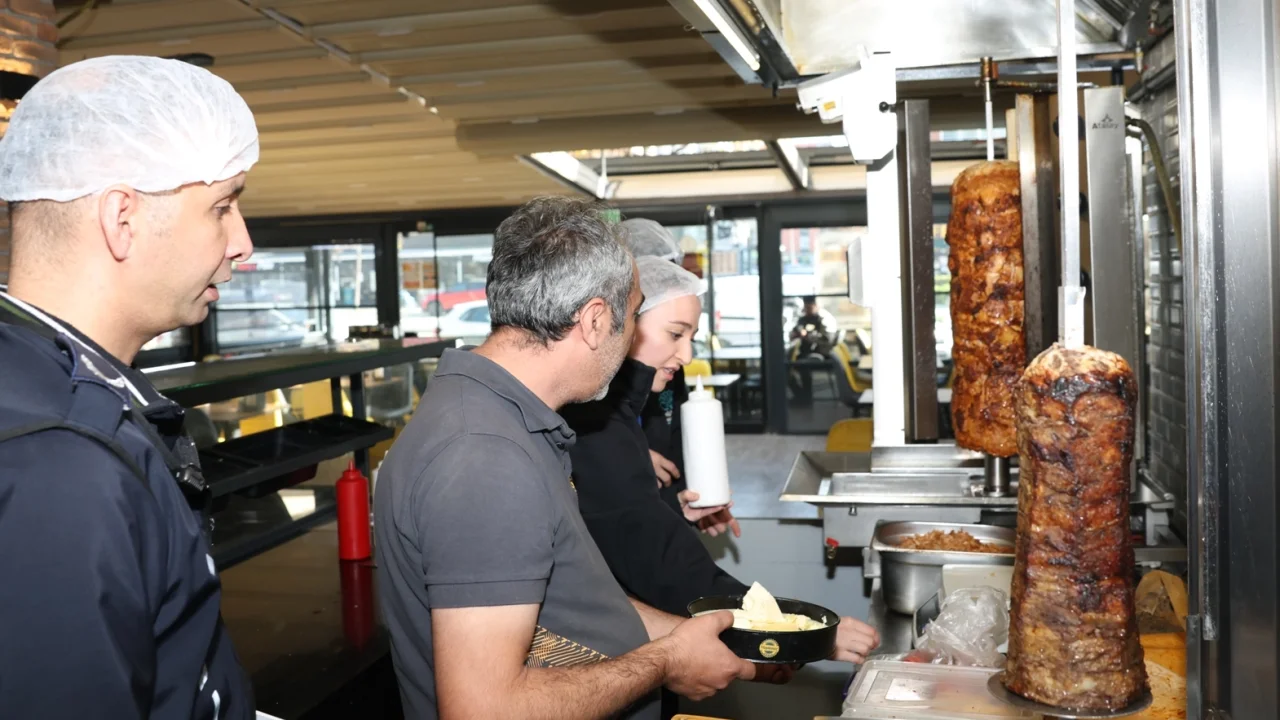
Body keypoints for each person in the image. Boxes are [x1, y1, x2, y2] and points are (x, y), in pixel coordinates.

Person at [374, 197, 755, 720]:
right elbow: (485, 710)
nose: (632, 341)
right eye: (632, 319)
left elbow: (570, 603)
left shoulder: (510, 420)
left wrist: (703, 638)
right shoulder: (485, 458)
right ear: (595, 320)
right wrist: (666, 661)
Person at [0, 56, 258, 717]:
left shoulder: (52, 386)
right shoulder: (61, 464)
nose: (242, 243)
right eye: (223, 207)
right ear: (122, 217)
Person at [561, 256, 881, 661]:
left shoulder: (618, 412)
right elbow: (659, 558)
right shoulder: (597, 421)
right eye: (675, 333)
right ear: (623, 322)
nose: (686, 353)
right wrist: (793, 630)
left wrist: (669, 507)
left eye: (691, 336)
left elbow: (620, 524)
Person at [619, 217, 690, 515]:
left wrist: (684, 501)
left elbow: (678, 442)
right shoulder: (594, 380)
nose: (685, 355)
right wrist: (630, 457)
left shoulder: (671, 367)